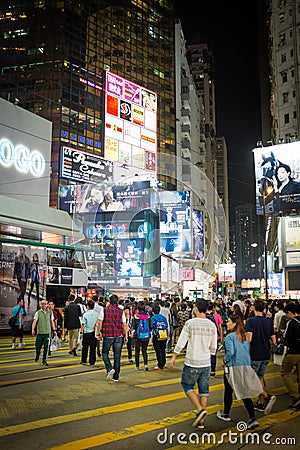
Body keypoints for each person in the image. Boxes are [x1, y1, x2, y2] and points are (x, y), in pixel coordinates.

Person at [170, 298, 217, 429]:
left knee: (186, 385)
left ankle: (200, 410)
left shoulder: (190, 323)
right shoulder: (211, 325)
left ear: (196, 308)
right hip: (206, 362)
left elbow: (182, 340)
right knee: (204, 390)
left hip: (192, 362)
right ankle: (201, 421)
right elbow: (213, 348)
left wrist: (174, 355)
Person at [216, 314, 260, 430]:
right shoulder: (244, 336)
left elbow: (230, 353)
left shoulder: (230, 337)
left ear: (235, 323)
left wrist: (224, 361)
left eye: (229, 321)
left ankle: (227, 414)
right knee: (242, 391)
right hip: (245, 366)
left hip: (233, 367)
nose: (227, 323)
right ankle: (252, 418)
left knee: (229, 391)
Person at [245, 299, 277, 414]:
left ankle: (266, 397)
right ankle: (261, 402)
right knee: (260, 377)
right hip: (265, 353)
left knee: (254, 378)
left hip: (255, 353)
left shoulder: (250, 321)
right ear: (264, 309)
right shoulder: (268, 322)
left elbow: (249, 339)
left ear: (253, 308)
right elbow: (273, 340)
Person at [96, 294, 128, 382]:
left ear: (109, 301)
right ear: (117, 301)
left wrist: (98, 333)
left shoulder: (104, 310)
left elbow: (100, 323)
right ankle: (116, 377)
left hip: (108, 335)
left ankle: (109, 368)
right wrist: (126, 336)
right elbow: (124, 324)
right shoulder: (121, 311)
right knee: (117, 356)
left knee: (104, 353)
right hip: (119, 335)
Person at [280, 302, 300, 409]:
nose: (286, 316)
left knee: (285, 373)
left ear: (290, 313)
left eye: (287, 314)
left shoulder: (291, 323)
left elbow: (286, 337)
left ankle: (295, 396)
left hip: (292, 353)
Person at [32, 300, 57, 366]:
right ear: (41, 305)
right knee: (38, 346)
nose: (44, 305)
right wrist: (33, 329)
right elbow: (35, 321)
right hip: (40, 332)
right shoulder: (38, 313)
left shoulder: (50, 313)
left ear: (47, 305)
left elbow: (52, 321)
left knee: (46, 347)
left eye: (45, 304)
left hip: (47, 332)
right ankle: (37, 355)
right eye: (43, 304)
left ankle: (44, 360)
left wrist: (54, 330)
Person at [132, 300, 151, 371]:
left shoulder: (136, 317)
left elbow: (133, 327)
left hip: (137, 336)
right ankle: (146, 365)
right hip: (146, 335)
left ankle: (137, 366)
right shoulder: (148, 317)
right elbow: (150, 326)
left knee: (137, 351)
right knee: (144, 350)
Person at [80, 300, 98, 366]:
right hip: (94, 333)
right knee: (93, 348)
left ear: (87, 306)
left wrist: (81, 332)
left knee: (85, 347)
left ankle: (84, 360)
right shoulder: (96, 314)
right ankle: (92, 361)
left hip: (87, 332)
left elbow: (83, 324)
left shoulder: (85, 314)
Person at [151, 303, 168, 370]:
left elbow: (152, 327)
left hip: (157, 336)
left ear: (153, 312)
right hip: (164, 335)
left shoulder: (153, 318)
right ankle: (164, 363)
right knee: (163, 350)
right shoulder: (163, 317)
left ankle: (160, 365)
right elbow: (167, 326)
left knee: (158, 351)